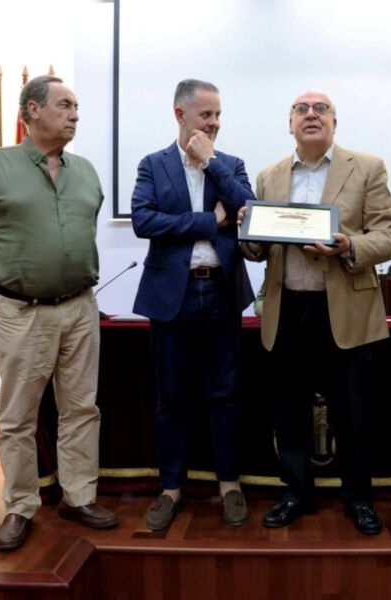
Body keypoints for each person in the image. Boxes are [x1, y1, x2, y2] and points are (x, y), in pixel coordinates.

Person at [0, 75, 117, 552]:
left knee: (81, 409)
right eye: (64, 105)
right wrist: (0, 291)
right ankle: (20, 506)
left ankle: (79, 496)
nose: (74, 115)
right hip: (21, 312)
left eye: (76, 106)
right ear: (32, 110)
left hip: (80, 308)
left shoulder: (85, 171)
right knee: (17, 417)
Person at [240, 90, 391, 535]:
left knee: (354, 413)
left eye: (321, 109)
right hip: (288, 308)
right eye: (301, 109)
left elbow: (387, 237)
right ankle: (296, 493)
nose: (311, 115)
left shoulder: (367, 167)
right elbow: (258, 250)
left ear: (334, 122)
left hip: (345, 310)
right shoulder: (269, 175)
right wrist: (247, 231)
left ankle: (359, 498)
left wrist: (348, 245)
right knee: (288, 412)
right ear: (290, 123)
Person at [131, 79, 254, 530]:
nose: (215, 122)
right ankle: (170, 488)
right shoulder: (153, 164)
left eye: (218, 114)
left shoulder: (231, 165)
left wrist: (211, 163)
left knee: (226, 394)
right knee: (172, 397)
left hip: (221, 292)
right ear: (180, 115)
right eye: (206, 115)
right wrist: (208, 221)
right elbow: (144, 221)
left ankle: (229, 484)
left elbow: (248, 211)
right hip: (173, 296)